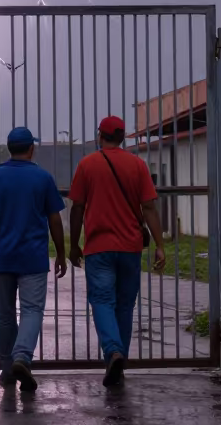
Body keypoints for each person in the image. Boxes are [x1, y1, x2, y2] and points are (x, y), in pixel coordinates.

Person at [68, 115, 166, 387]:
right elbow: (149, 208)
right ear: (122, 137)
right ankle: (118, 359)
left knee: (101, 301)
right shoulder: (137, 165)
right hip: (130, 247)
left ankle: (112, 351)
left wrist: (74, 244)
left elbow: (77, 208)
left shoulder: (87, 165)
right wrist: (159, 245)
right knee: (124, 305)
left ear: (100, 135)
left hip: (99, 248)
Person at [0, 126, 66, 393]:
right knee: (32, 310)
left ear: (9, 148)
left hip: (2, 256)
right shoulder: (42, 178)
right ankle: (22, 357)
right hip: (33, 257)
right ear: (31, 148)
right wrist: (60, 253)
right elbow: (55, 219)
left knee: (4, 314)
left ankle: (6, 368)